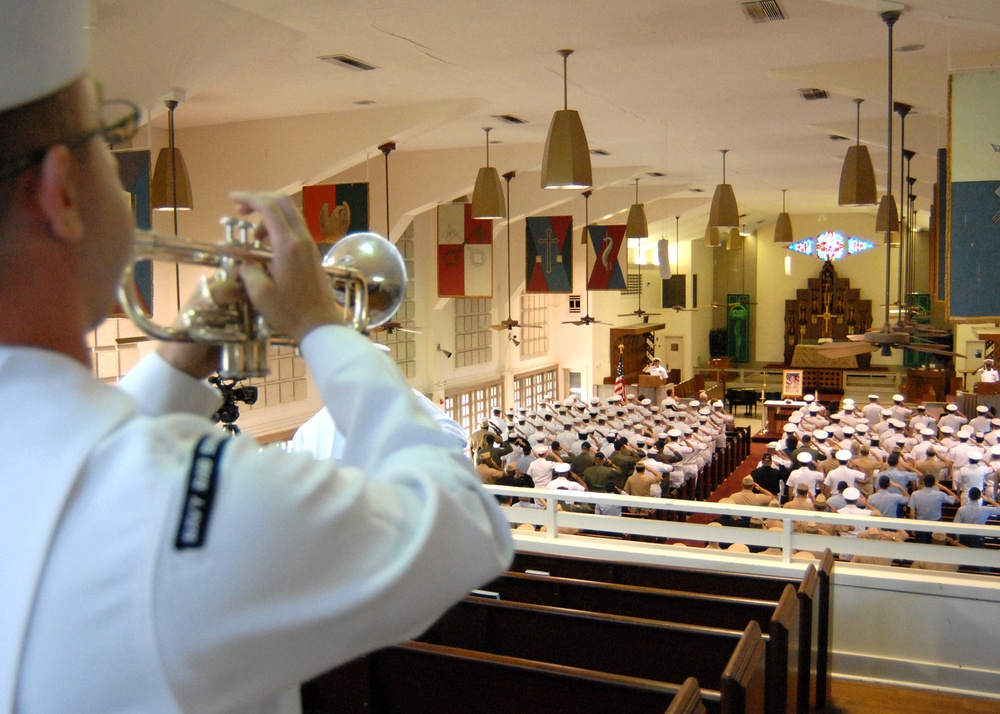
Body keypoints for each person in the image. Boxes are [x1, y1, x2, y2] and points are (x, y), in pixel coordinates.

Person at [0, 8, 513, 709]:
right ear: (60, 190)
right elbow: (462, 527)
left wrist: (176, 364)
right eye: (109, 140)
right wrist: (326, 329)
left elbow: (80, 469)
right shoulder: (183, 506)